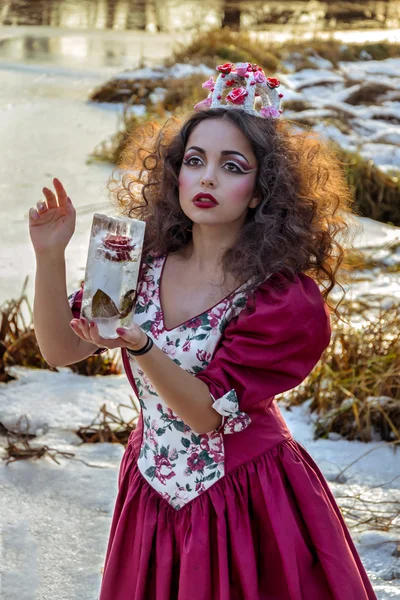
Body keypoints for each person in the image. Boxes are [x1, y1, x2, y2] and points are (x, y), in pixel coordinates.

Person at [29, 62, 377, 600]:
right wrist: (49, 255)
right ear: (177, 174)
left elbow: (207, 414)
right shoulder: (141, 265)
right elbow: (60, 349)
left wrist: (140, 344)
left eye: (232, 166)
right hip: (152, 490)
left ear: (262, 191)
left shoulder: (277, 296)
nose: (208, 177)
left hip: (246, 496)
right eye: (195, 161)